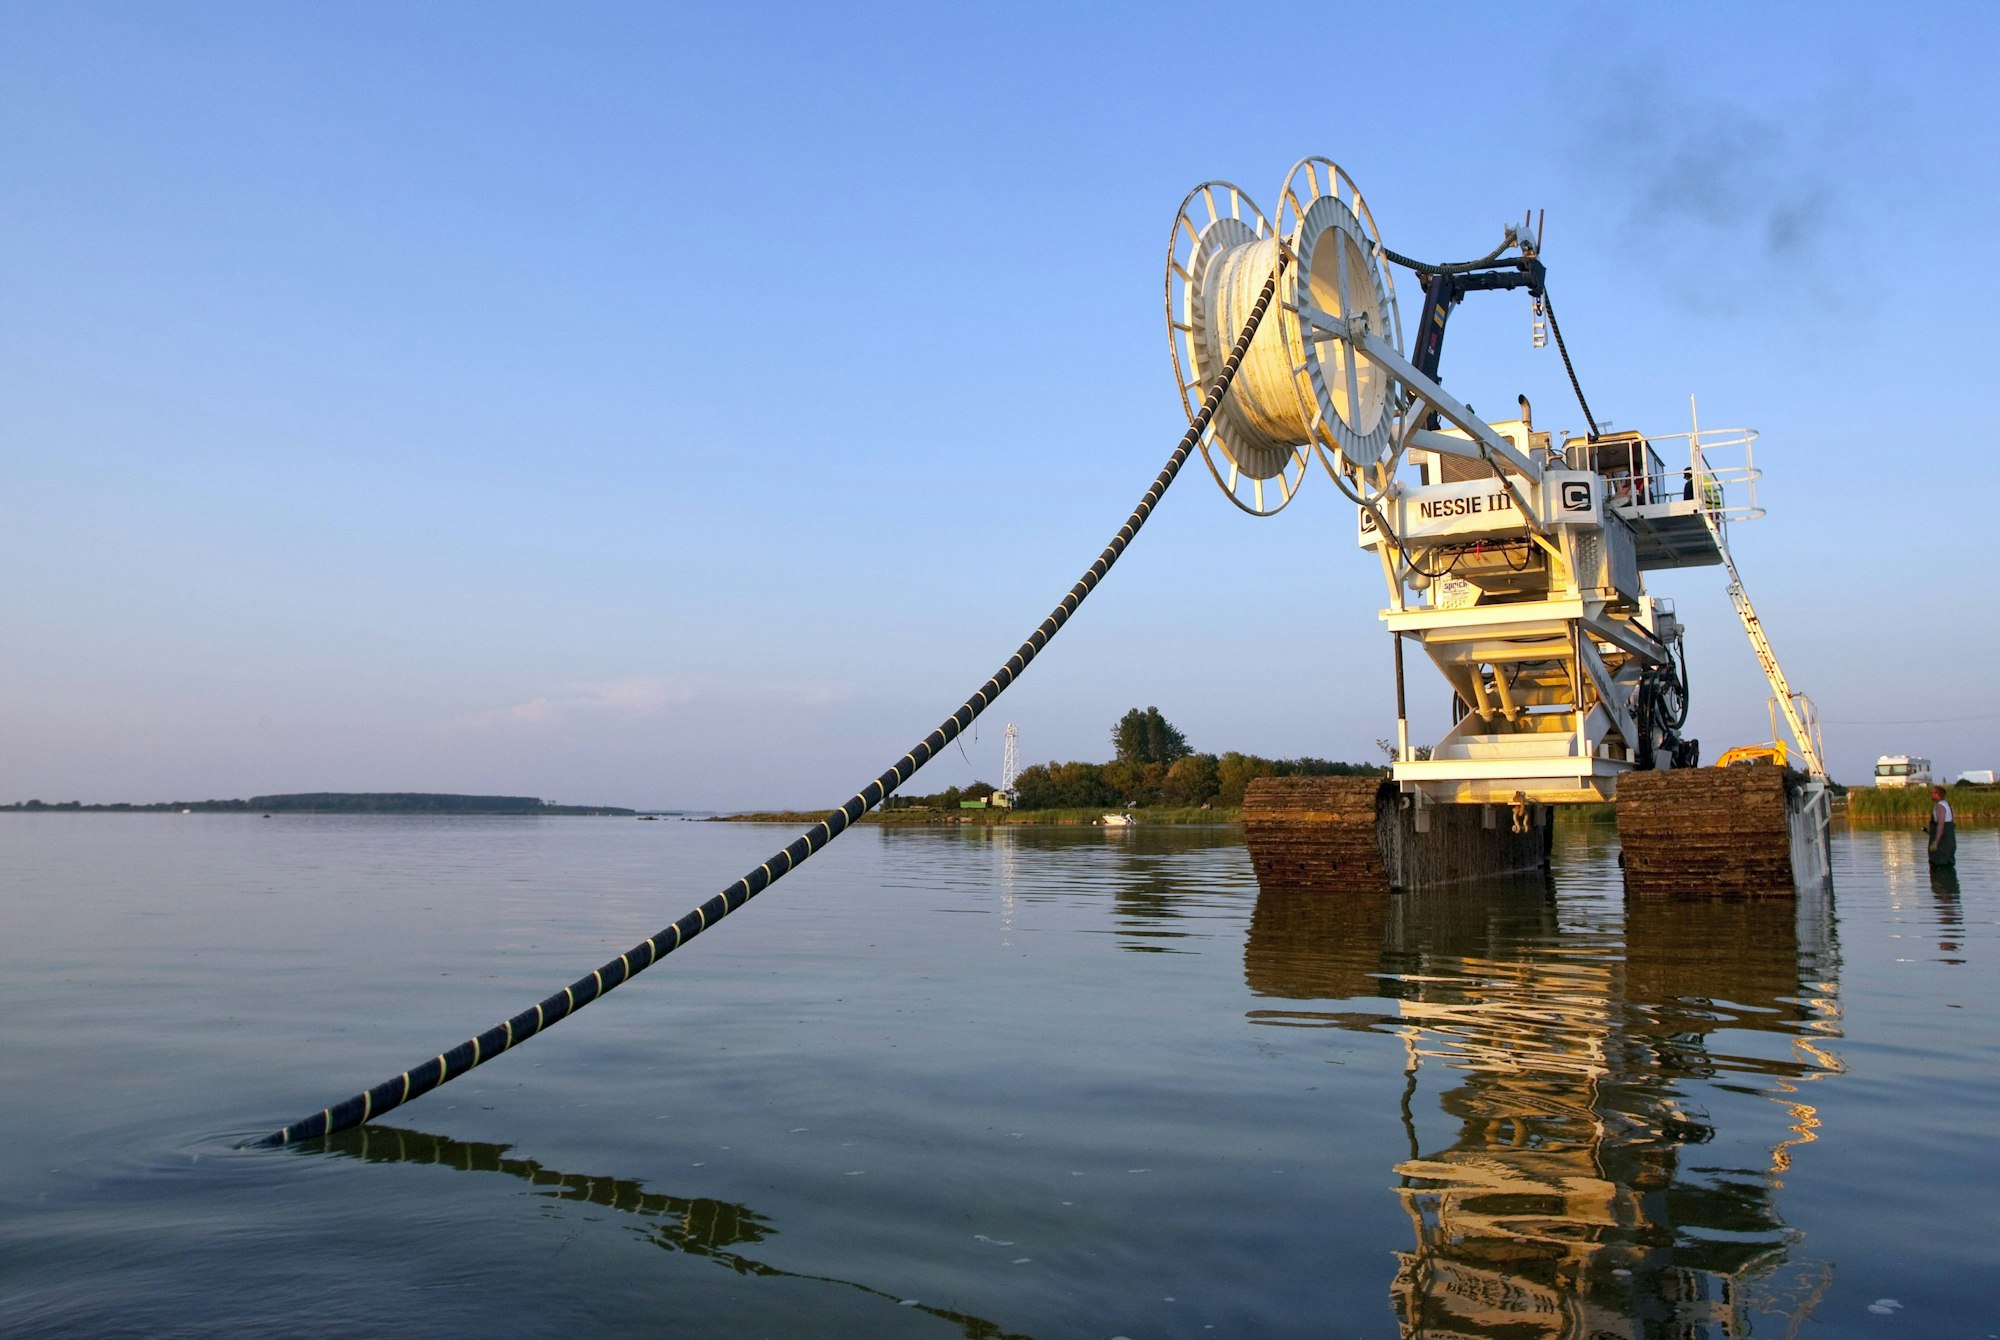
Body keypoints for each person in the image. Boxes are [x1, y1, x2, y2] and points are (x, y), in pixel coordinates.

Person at [1927, 785, 1957, 868]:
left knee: (1938, 865)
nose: (1931, 795)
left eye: (1932, 793)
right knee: (1948, 865)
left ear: (1938, 794)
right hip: (1950, 842)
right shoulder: (1947, 805)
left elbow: (1941, 824)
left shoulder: (1940, 806)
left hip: (1942, 844)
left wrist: (1936, 842)